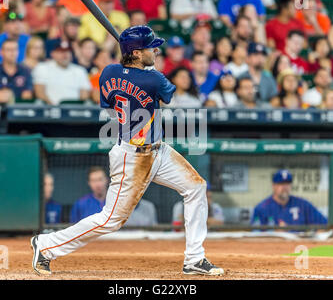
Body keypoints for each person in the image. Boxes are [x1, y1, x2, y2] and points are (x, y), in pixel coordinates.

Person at [30, 25, 224, 277]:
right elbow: (169, 95)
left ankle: (194, 259)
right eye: (150, 47)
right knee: (110, 220)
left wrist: (140, 71)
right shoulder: (153, 78)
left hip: (158, 151)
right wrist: (149, 72)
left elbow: (108, 102)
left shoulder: (109, 72)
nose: (155, 50)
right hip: (133, 157)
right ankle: (45, 245)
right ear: (134, 53)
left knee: (196, 187)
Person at [251, 169, 328, 227]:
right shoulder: (262, 208)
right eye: (281, 184)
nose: (284, 187)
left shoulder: (303, 204)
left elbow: (324, 224)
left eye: (287, 183)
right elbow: (255, 233)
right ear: (274, 186)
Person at [33, 41, 91, 105]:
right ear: (53, 54)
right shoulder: (42, 68)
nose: (65, 55)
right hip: (50, 110)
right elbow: (40, 93)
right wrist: (55, 109)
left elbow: (84, 96)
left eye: (67, 51)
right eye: (61, 52)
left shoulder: (80, 71)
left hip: (74, 111)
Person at [0, 39, 34, 103]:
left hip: (20, 108)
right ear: (1, 52)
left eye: (15, 49)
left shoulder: (25, 71)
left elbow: (27, 94)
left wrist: (8, 95)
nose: (12, 53)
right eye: (8, 50)